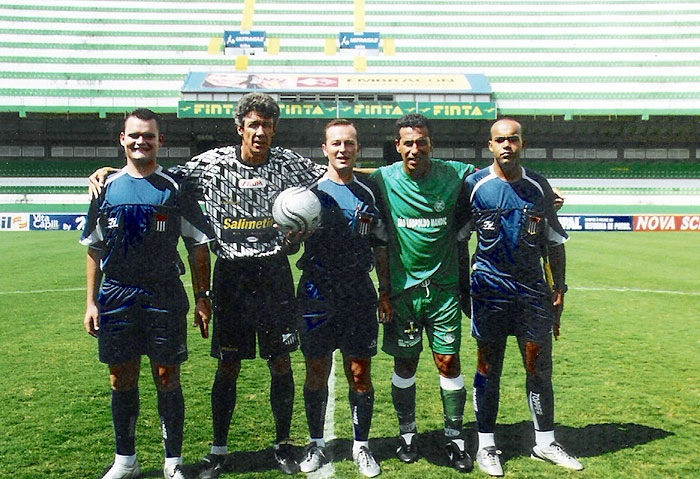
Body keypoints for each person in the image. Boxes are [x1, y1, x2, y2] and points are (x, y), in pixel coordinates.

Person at [89, 93, 326, 478]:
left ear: (274, 129)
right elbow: (149, 170)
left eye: (267, 125)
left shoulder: (289, 165)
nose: (260, 132)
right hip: (231, 276)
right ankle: (218, 450)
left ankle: (283, 444)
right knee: (227, 365)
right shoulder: (210, 164)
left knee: (280, 363)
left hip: (274, 274)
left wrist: (381, 173)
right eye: (253, 124)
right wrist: (106, 170)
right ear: (240, 128)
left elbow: (334, 173)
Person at [81, 108, 213, 479]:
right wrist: (91, 302)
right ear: (122, 139)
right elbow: (94, 248)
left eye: (149, 136)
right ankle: (126, 460)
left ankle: (173, 461)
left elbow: (198, 245)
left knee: (167, 375)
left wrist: (203, 295)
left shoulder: (174, 188)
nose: (141, 141)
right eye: (134, 135)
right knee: (121, 377)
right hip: (117, 294)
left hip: (164, 294)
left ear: (160, 142)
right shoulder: (104, 187)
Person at [466, 118, 583, 476]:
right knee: (489, 368)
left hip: (533, 292)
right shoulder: (474, 186)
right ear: (490, 146)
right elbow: (457, 242)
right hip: (489, 290)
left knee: (539, 367)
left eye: (512, 139)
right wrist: (461, 289)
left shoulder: (538, 185)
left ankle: (544, 443)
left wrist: (559, 288)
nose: (506, 146)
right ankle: (486, 445)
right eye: (500, 140)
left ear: (522, 143)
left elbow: (554, 241)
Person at [369, 113, 476, 473]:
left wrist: (541, 188)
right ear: (397, 146)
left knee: (448, 361)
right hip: (403, 293)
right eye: (408, 143)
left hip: (444, 291)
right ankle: (407, 435)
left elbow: (494, 177)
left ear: (431, 144)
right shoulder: (383, 179)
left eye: (422, 142)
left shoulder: (455, 174)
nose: (415, 149)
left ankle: (455, 438)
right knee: (405, 362)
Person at [295, 119, 390, 478]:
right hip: (316, 293)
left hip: (358, 293)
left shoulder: (368, 193)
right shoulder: (308, 194)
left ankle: (361, 446)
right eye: (336, 143)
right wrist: (291, 238)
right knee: (316, 372)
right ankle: (316, 444)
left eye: (349, 143)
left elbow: (380, 247)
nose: (342, 149)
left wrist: (384, 291)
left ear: (357, 149)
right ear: (325, 148)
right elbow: (292, 243)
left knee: (360, 373)